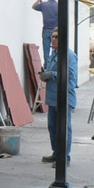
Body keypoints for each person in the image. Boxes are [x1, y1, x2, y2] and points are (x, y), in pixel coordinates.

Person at [39, 29, 77, 165]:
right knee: (53, 127)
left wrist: (52, 74)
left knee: (64, 129)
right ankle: (57, 153)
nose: (53, 39)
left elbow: (71, 79)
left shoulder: (69, 56)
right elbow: (51, 71)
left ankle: (64, 158)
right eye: (52, 37)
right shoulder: (53, 54)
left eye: (56, 37)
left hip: (64, 98)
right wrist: (45, 75)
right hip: (52, 98)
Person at [32, 0, 58, 64]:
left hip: (46, 31)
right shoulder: (59, 5)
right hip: (56, 32)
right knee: (56, 50)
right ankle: (54, 66)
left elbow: (33, 6)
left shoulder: (43, 5)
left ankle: (47, 67)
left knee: (46, 52)